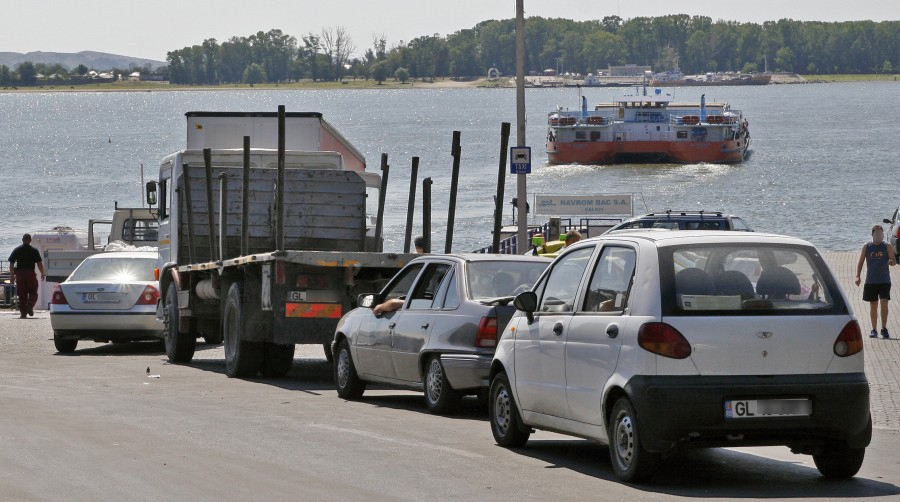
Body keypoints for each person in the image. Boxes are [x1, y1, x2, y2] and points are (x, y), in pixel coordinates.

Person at [855, 225, 896, 338]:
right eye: (877, 233)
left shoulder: (887, 246)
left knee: (884, 302)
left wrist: (891, 262)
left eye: (881, 234)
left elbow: (893, 260)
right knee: (873, 304)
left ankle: (884, 328)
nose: (879, 236)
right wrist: (857, 276)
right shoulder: (867, 246)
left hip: (884, 280)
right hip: (871, 281)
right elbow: (860, 262)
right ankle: (874, 329)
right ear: (873, 234)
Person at [8, 233, 46, 319]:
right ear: (30, 241)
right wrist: (42, 273)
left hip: (20, 274)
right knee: (33, 291)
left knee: (22, 294)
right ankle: (30, 304)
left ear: (22, 240)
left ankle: (23, 314)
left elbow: (11, 263)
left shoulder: (17, 250)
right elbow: (39, 263)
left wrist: (12, 276)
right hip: (30, 273)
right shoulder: (34, 250)